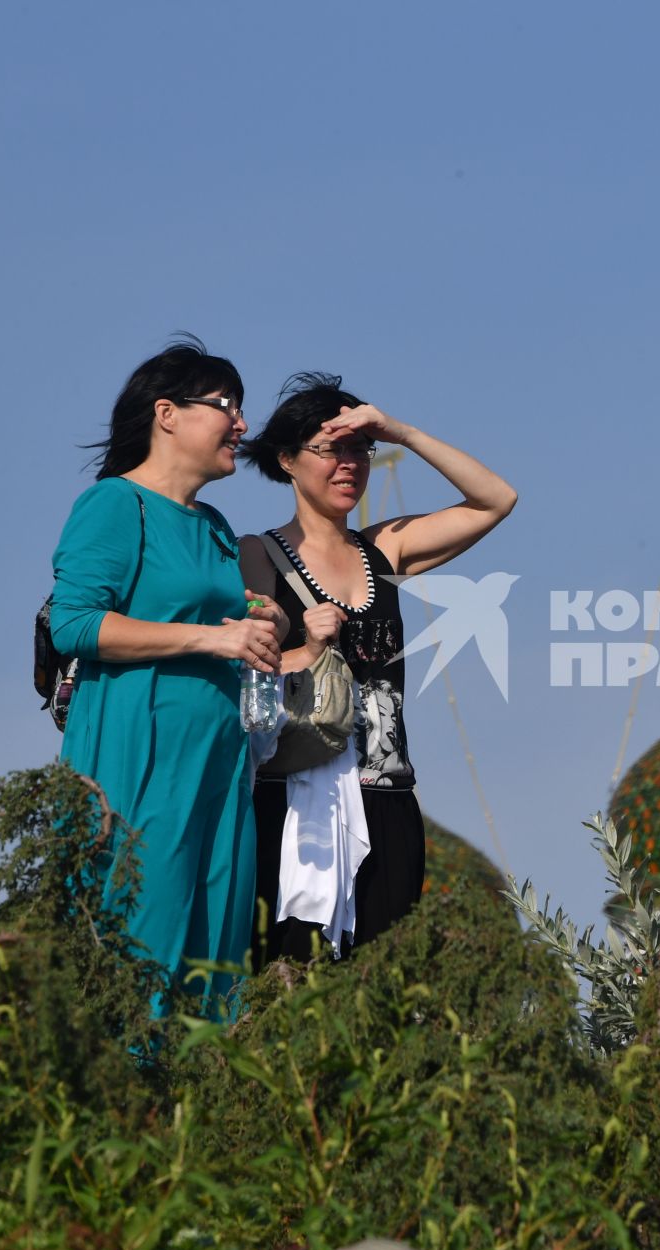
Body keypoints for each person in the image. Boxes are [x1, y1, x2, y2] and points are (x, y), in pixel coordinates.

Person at [239, 373, 516, 965]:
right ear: (287, 460)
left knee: (385, 983)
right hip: (292, 800)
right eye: (329, 449)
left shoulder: (381, 548)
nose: (349, 465)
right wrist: (306, 648)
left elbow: (496, 499)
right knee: (291, 979)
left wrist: (402, 432)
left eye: (360, 449)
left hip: (387, 796)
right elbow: (247, 674)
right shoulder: (255, 556)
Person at [48, 339, 283, 1017]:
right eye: (226, 406)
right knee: (140, 948)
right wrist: (215, 635)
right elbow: (76, 625)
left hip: (220, 762)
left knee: (215, 958)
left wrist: (258, 625)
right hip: (139, 756)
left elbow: (217, 622)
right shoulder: (115, 505)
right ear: (167, 414)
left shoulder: (213, 525)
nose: (241, 424)